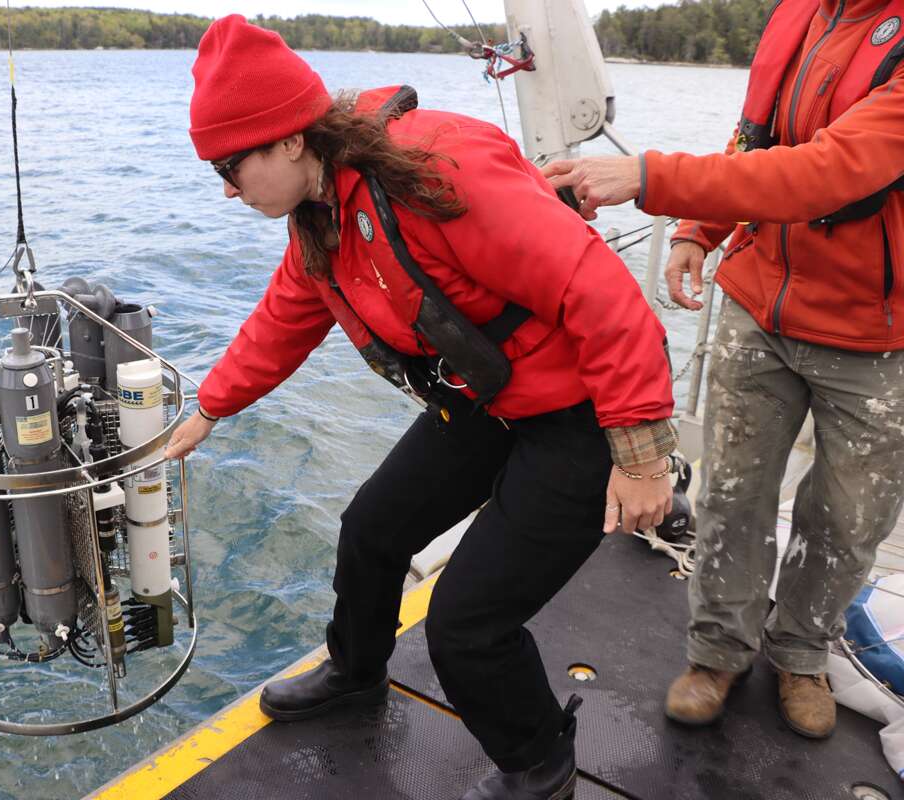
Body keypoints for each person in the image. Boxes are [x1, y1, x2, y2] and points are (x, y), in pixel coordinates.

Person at [165, 15, 677, 800]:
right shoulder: (321, 214)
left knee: (466, 625)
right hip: (491, 398)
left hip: (578, 413)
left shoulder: (436, 169)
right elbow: (283, 321)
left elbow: (599, 291)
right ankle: (355, 672)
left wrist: (640, 456)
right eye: (211, 172)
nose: (227, 189)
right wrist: (206, 409)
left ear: (292, 139)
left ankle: (539, 764)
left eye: (231, 166)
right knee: (372, 530)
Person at [542, 0, 904, 741]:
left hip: (879, 335)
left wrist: (646, 175)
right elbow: (755, 138)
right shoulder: (799, 13)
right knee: (734, 491)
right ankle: (717, 652)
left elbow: (830, 170)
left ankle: (801, 655)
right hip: (756, 307)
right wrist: (698, 232)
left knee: (847, 517)